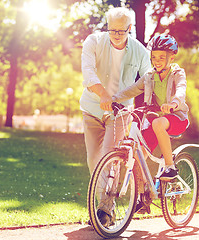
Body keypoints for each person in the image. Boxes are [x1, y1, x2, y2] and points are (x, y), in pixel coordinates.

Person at [80, 7, 151, 178]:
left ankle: (106, 204)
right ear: (108, 26)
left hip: (120, 111)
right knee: (93, 159)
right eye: (112, 30)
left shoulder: (140, 51)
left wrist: (150, 105)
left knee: (109, 156)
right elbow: (88, 71)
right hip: (92, 108)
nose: (116, 35)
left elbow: (149, 78)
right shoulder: (93, 42)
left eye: (121, 30)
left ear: (130, 28)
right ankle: (100, 201)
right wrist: (103, 94)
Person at [112, 34, 189, 181]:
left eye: (161, 57)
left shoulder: (177, 74)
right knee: (138, 157)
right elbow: (133, 89)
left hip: (177, 117)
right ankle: (143, 198)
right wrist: (114, 99)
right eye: (154, 57)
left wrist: (173, 104)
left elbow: (181, 90)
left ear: (171, 58)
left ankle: (170, 167)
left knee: (157, 123)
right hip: (156, 121)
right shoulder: (150, 76)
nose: (157, 61)